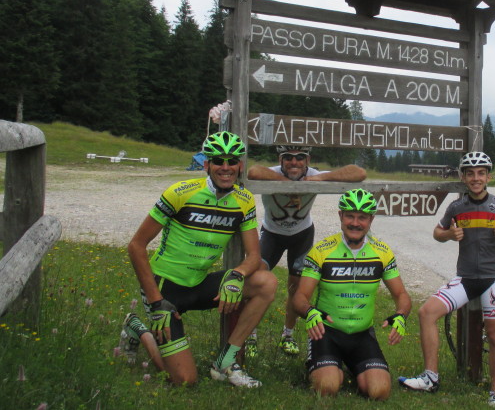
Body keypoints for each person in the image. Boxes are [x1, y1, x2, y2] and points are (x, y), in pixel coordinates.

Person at [121, 131, 277, 387]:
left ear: (240, 165)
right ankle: (138, 328)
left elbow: (254, 256)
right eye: (218, 161)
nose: (225, 167)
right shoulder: (180, 193)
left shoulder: (244, 200)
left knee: (266, 282)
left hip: (199, 284)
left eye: (232, 161)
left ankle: (225, 362)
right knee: (184, 380)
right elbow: (136, 246)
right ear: (207, 165)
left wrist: (236, 276)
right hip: (165, 288)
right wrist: (156, 302)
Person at [398, 151, 495, 407]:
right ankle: (430, 377)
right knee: (426, 313)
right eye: (470, 174)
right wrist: (449, 235)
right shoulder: (457, 207)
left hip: (492, 279)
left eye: (481, 173)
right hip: (465, 279)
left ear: (488, 177)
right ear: (463, 178)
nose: (476, 178)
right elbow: (438, 232)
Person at [293, 188, 411, 400]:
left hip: (362, 335)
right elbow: (300, 297)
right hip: (326, 333)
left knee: (379, 392)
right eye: (350, 216)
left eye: (362, 217)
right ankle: (329, 367)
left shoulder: (382, 252)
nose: (355, 223)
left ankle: (350, 367)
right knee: (327, 387)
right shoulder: (322, 251)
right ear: (340, 216)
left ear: (371, 219)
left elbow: (401, 293)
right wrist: (309, 312)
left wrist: (401, 314)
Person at [247, 146, 366, 356]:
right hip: (272, 234)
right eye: (288, 158)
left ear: (308, 160)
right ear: (280, 160)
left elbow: (359, 173)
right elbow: (253, 171)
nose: (294, 162)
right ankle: (250, 336)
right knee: (256, 280)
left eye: (300, 158)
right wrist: (290, 185)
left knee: (296, 288)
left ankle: (288, 335)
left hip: (301, 234)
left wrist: (318, 179)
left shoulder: (313, 174)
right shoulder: (273, 172)